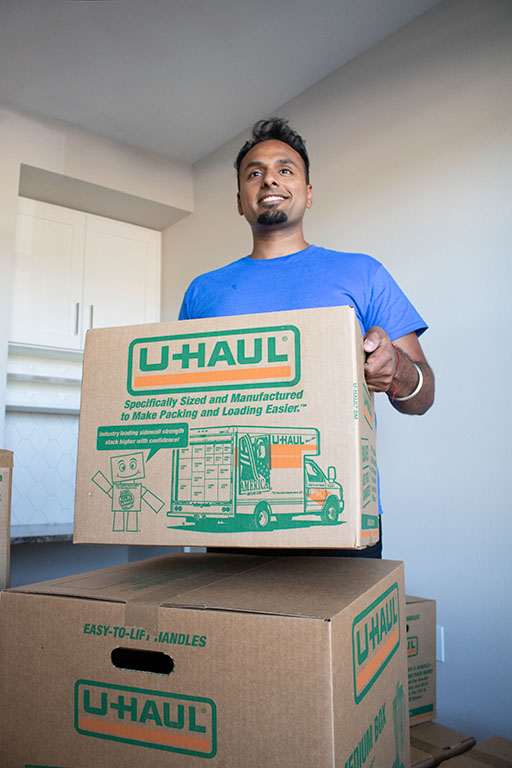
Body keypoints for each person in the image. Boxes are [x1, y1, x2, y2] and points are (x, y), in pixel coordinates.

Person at [179, 118, 434, 557]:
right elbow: (185, 405)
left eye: (285, 169)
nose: (269, 179)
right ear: (240, 201)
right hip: (234, 519)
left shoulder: (363, 273)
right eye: (254, 173)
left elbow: (423, 396)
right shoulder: (203, 291)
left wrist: (395, 370)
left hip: (338, 516)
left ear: (309, 193)